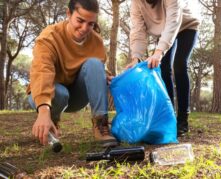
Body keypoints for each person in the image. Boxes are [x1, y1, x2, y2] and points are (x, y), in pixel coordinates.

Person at [27, 0, 118, 147]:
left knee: (95, 64)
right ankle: (51, 121)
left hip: (77, 97)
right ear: (68, 13)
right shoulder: (49, 36)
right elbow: (41, 71)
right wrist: (44, 112)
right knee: (61, 93)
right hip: (49, 96)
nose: (84, 28)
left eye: (91, 24)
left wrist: (103, 77)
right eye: (80, 21)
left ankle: (101, 126)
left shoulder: (96, 41)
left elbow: (96, 68)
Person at [127, 0, 200, 136]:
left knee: (179, 65)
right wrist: (136, 57)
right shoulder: (136, 3)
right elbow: (138, 29)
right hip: (163, 30)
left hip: (186, 26)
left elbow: (173, 22)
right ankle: (169, 116)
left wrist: (159, 52)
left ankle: (183, 119)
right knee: (164, 68)